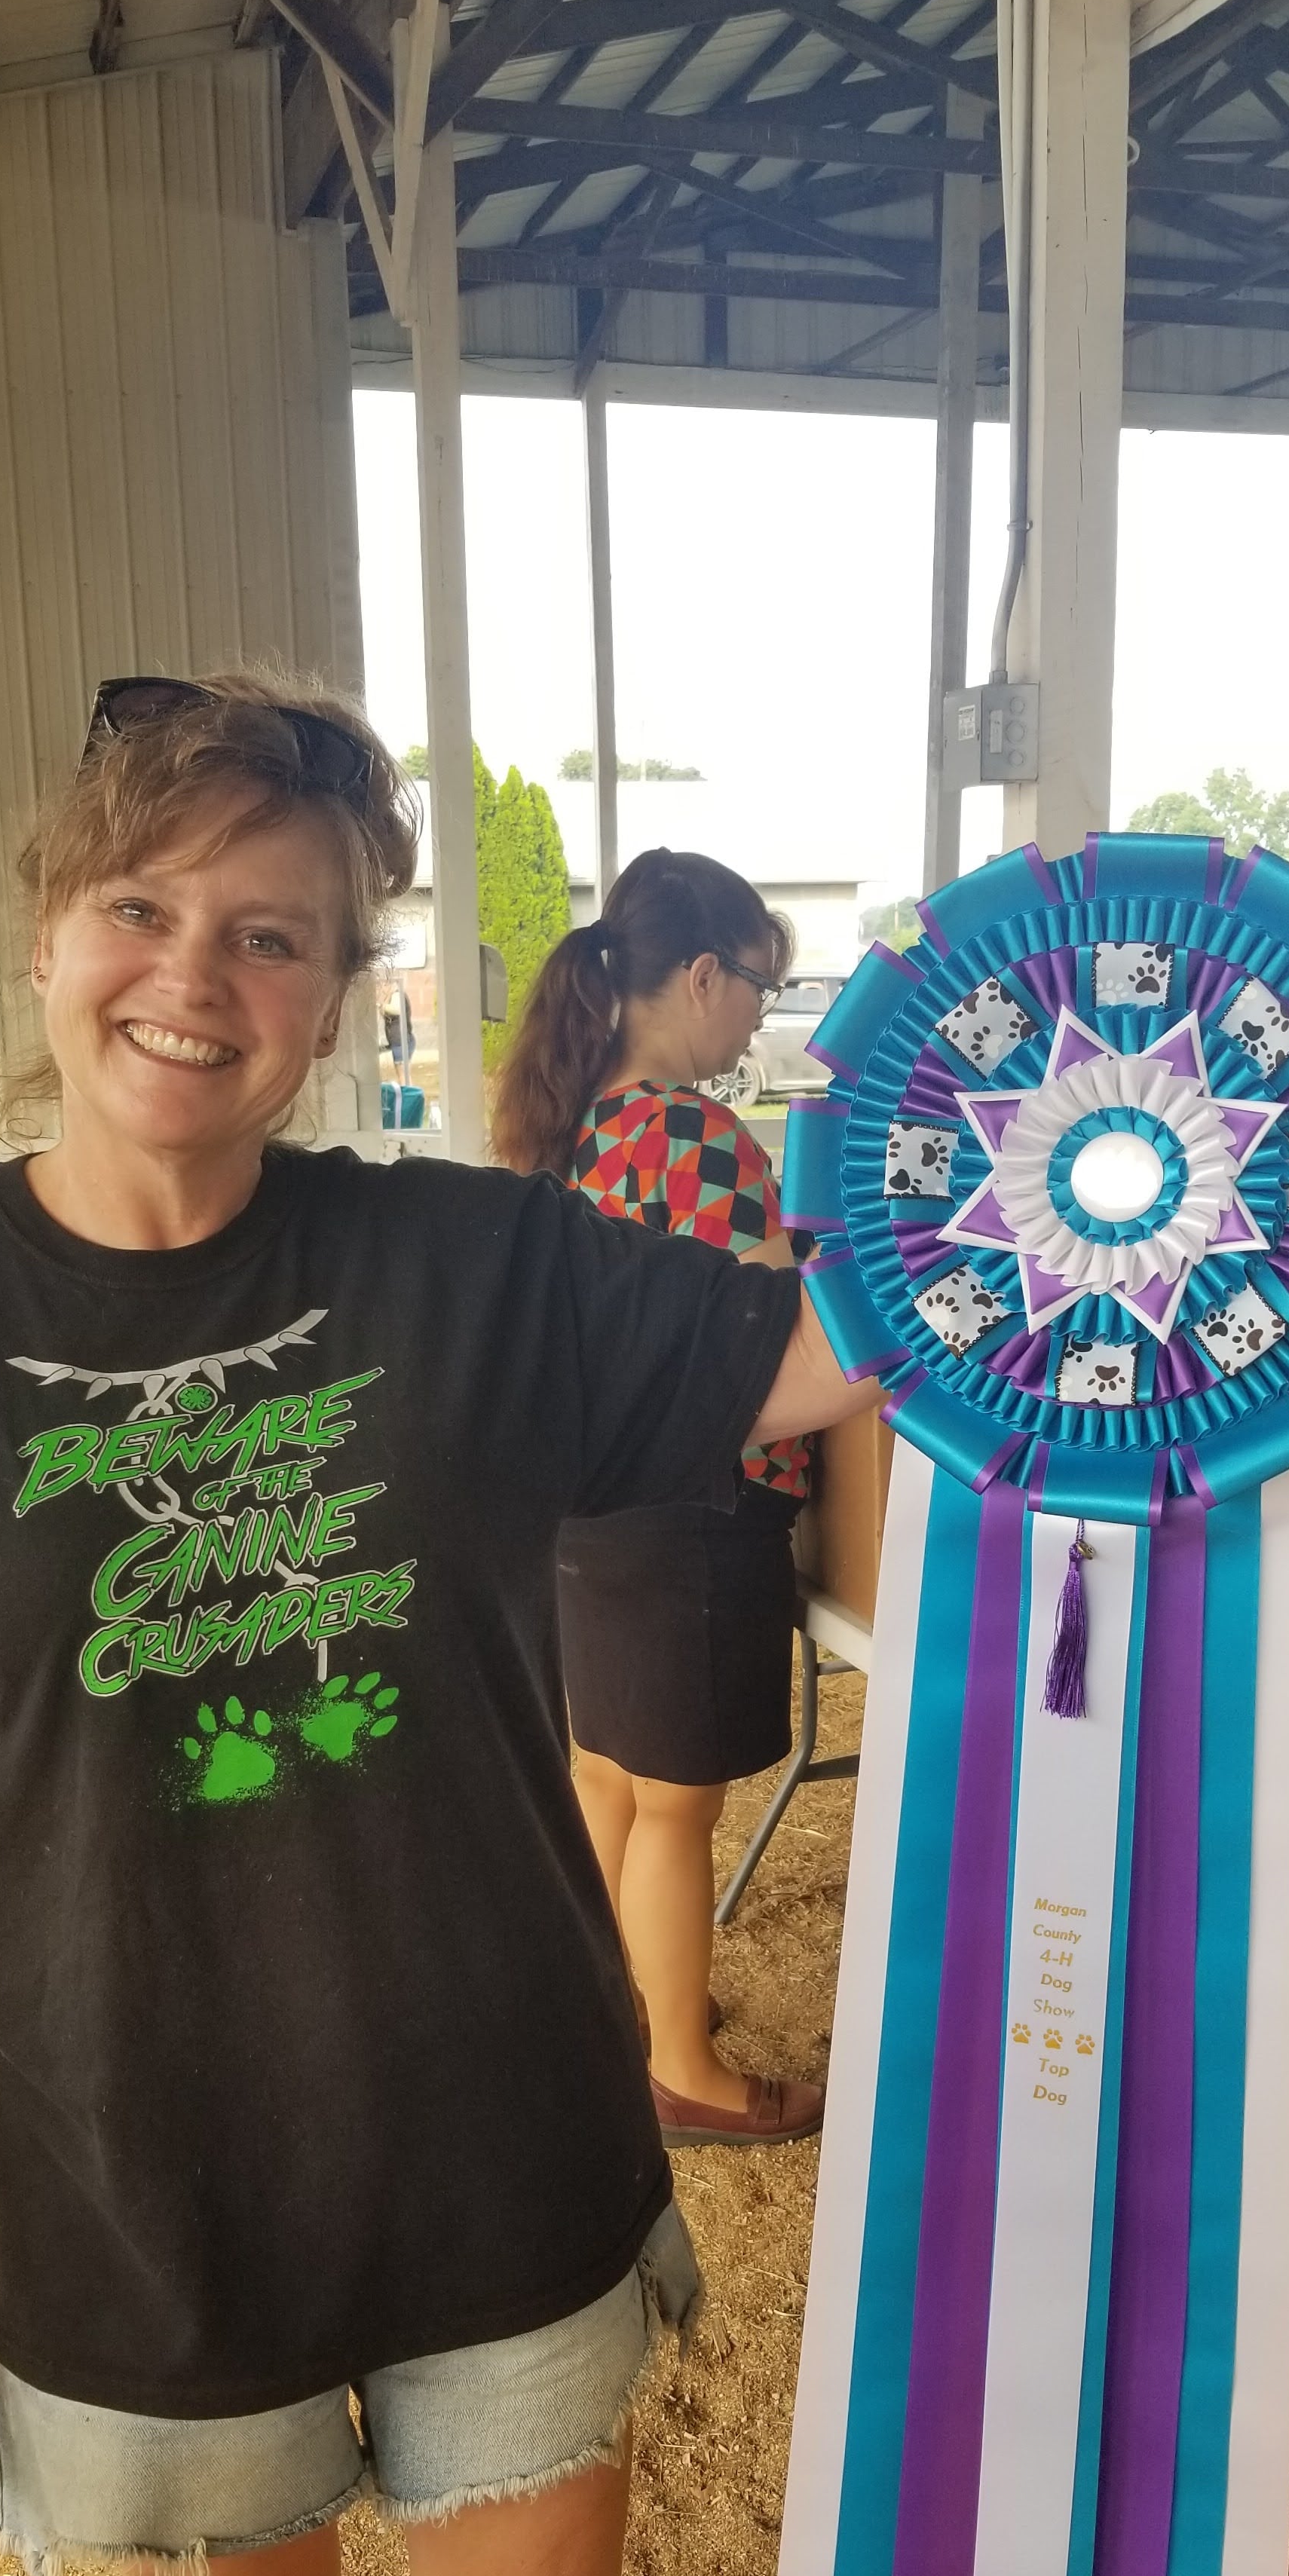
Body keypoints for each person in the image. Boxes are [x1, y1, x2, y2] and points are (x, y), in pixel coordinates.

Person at [0, 674, 874, 2576]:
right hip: (139, 2157)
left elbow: (812, 1359)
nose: (198, 979)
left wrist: (1102, 1216)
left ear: (341, 993)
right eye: (145, 908)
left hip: (496, 2122)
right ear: (49, 938)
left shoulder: (466, 1266)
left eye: (278, 936)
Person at [493, 851, 823, 2150]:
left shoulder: (575, 1129)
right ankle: (683, 2068)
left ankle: (627, 2011)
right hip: (694, 1499)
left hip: (589, 1508)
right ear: (700, 976)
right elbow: (769, 1329)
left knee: (612, 1777)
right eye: (757, 988)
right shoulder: (693, 1135)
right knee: (679, 1799)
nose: (758, 1018)